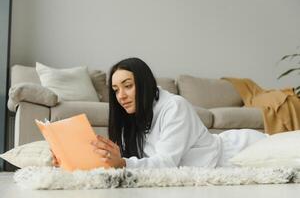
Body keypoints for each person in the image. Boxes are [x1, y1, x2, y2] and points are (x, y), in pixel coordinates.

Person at [53, 57, 267, 168]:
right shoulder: (131, 117)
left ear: (144, 84)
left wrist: (123, 163)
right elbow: (124, 160)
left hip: (240, 152)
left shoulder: (175, 107)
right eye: (116, 90)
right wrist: (73, 159)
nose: (121, 96)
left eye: (128, 85)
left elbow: (165, 163)